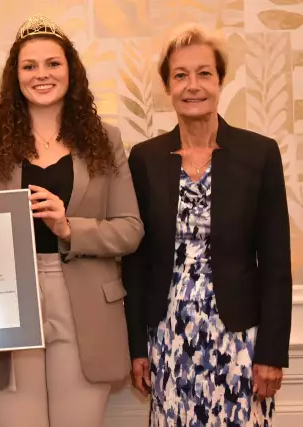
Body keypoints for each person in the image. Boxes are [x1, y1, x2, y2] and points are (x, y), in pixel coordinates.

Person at [0, 15, 144, 427]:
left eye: (52, 63)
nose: (41, 74)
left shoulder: (105, 138)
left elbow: (131, 229)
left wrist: (68, 228)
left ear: (70, 70)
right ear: (15, 77)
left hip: (85, 303)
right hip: (8, 303)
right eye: (29, 66)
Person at [122, 23, 293, 426]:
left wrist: (271, 353)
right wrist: (136, 348)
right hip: (168, 337)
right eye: (180, 75)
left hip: (239, 340)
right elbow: (136, 261)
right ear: (167, 86)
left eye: (204, 73)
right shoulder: (145, 159)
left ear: (220, 81)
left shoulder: (259, 153)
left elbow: (275, 265)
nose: (192, 85)